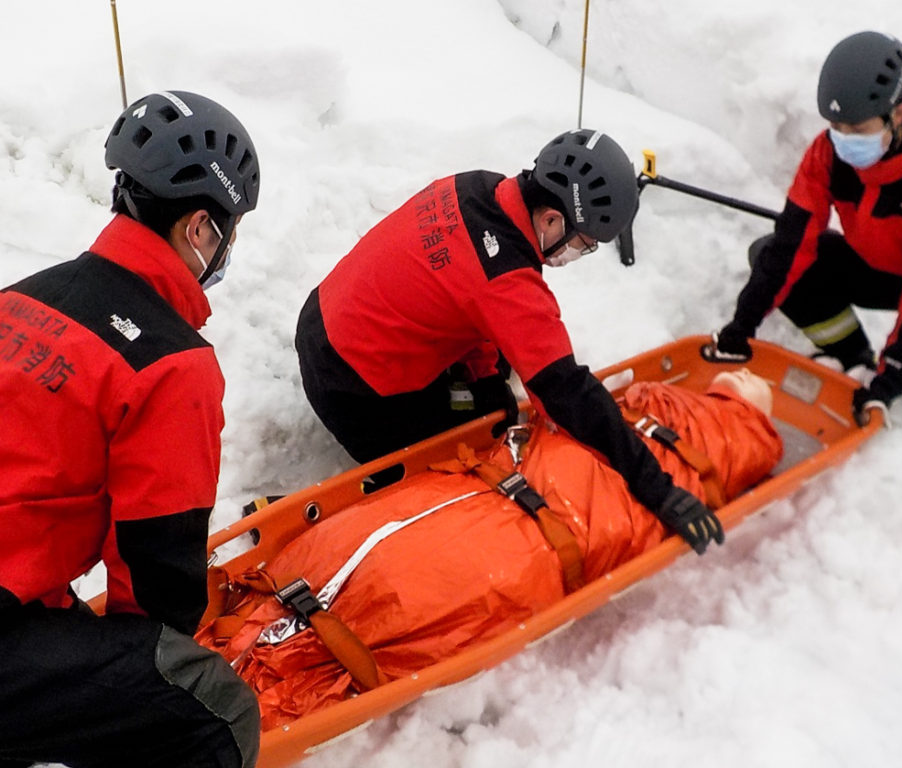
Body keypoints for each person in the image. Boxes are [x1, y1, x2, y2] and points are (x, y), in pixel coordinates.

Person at [199, 371, 782, 728]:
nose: (748, 391)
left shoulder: (724, 433)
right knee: (395, 581)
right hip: (514, 512)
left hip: (507, 509)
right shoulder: (681, 413)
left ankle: (263, 646)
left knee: (393, 582)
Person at [295, 128, 726, 554]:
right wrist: (657, 488)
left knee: (492, 394)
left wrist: (486, 378)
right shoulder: (507, 282)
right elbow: (566, 391)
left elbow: (470, 299)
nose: (578, 255)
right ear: (553, 219)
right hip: (356, 392)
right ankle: (381, 496)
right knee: (485, 438)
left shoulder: (478, 187)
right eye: (584, 244)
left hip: (324, 320)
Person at [0, 91, 261, 768]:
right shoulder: (171, 363)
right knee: (215, 709)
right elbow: (157, 574)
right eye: (230, 231)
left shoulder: (24, 295)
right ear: (201, 229)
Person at [704, 31, 902, 462]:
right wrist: (740, 328)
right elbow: (791, 243)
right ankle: (851, 356)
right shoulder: (828, 154)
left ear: (898, 114)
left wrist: (890, 378)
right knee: (767, 255)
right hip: (879, 263)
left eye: (857, 128)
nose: (842, 138)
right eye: (835, 127)